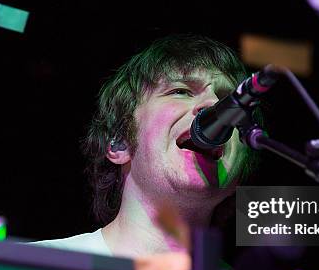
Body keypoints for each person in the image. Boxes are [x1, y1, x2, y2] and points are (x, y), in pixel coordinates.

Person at [33, 34, 259, 258]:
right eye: (180, 91)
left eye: (228, 100)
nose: (214, 105)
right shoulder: (31, 269)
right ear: (120, 141)